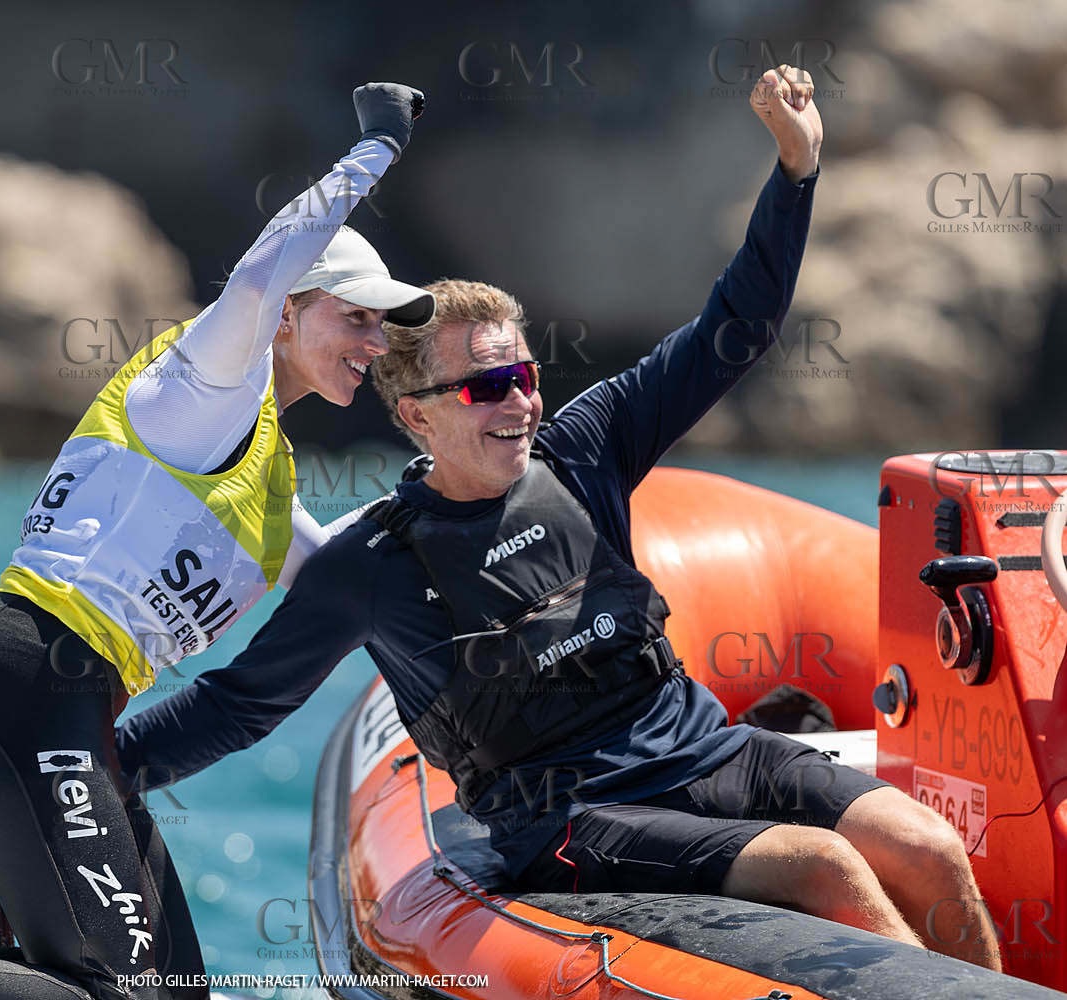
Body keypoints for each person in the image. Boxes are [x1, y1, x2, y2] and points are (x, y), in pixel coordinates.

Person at [111, 66, 1004, 971]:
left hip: (707, 750)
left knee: (926, 845)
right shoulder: (371, 566)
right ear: (416, 414)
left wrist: (796, 170)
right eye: (485, 387)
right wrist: (87, 763)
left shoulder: (584, 451)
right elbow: (238, 703)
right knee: (823, 866)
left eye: (524, 376)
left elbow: (737, 327)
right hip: (569, 819)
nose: (519, 403)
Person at [0, 83, 434, 1000]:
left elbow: (347, 581)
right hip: (23, 685)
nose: (376, 342)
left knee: (173, 994)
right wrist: (375, 148)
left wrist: (454, 499)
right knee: (120, 993)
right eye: (356, 316)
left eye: (383, 326)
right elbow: (263, 269)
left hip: (76, 722)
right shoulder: (206, 387)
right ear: (285, 313)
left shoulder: (265, 471)